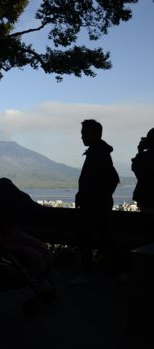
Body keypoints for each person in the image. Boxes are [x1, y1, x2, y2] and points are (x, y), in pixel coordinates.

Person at [70, 119, 119, 285]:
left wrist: (92, 196)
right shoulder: (99, 152)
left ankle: (89, 273)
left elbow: (111, 178)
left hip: (93, 205)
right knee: (105, 237)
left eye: (84, 133)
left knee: (85, 237)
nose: (81, 137)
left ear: (92, 134)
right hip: (97, 203)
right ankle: (118, 271)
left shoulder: (97, 154)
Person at [131, 128, 154, 244]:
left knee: (148, 238)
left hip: (146, 202)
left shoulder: (144, 158)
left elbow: (137, 170)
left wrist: (140, 151)